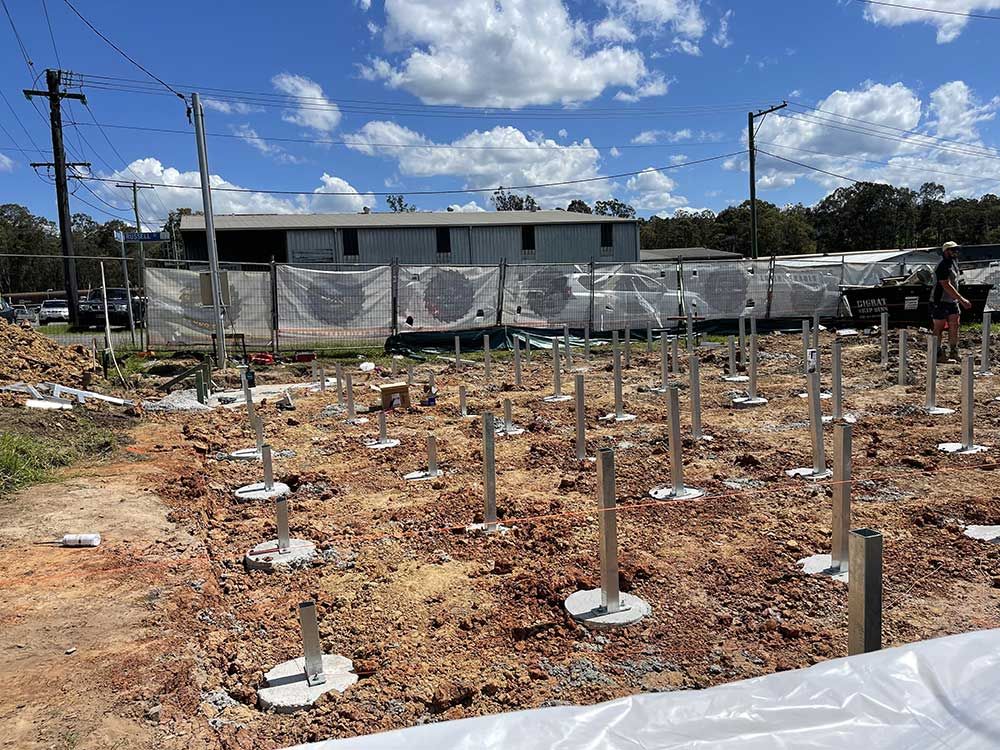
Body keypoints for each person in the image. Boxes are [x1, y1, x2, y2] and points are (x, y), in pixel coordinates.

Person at [931, 241, 971, 363]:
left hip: (952, 301)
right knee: (939, 327)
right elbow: (946, 285)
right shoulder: (943, 265)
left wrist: (957, 299)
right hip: (940, 300)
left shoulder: (953, 263)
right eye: (953, 250)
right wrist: (961, 299)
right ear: (946, 251)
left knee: (955, 325)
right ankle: (937, 353)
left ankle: (953, 351)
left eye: (956, 249)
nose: (955, 252)